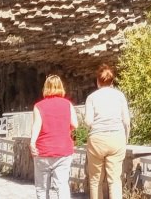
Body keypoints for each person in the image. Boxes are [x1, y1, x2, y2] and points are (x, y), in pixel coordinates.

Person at [82, 65, 131, 199]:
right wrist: (125, 139)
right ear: (112, 81)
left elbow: (88, 121)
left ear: (98, 81)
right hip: (117, 137)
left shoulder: (92, 97)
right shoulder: (120, 96)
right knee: (114, 180)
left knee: (95, 180)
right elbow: (126, 121)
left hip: (97, 139)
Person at [31, 74, 76, 199]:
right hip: (63, 150)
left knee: (42, 187)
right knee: (62, 186)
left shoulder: (39, 106)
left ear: (46, 87)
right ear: (61, 87)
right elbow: (75, 124)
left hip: (43, 151)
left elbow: (36, 127)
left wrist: (32, 143)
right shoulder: (68, 104)